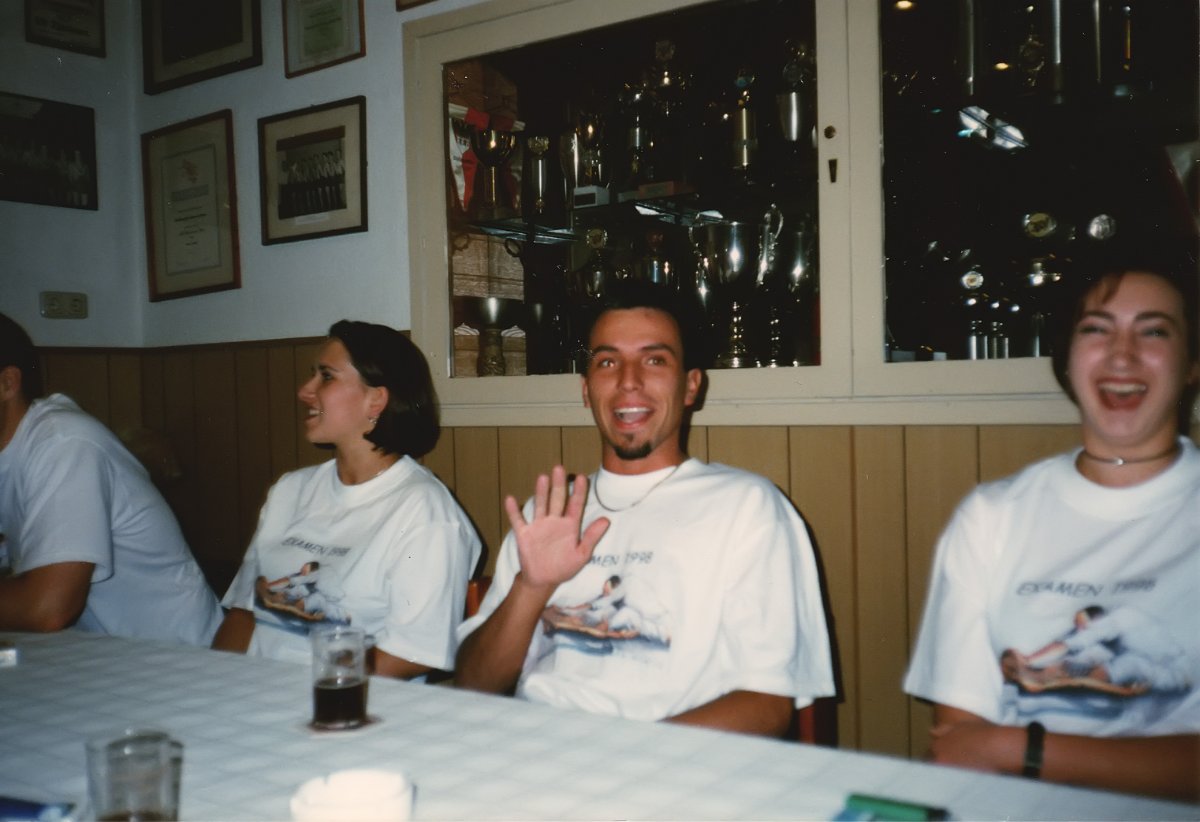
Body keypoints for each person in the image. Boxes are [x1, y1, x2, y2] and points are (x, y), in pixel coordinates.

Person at [454, 282, 834, 737]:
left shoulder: (747, 508)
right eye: (607, 362)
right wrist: (531, 587)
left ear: (691, 386)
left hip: (664, 760)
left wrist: (620, 754)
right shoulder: (550, 512)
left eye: (654, 360)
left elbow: (767, 706)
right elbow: (472, 686)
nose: (628, 381)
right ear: (586, 389)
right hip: (529, 747)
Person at [904, 249, 1200, 800]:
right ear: (1067, 360)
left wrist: (1022, 749)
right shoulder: (992, 516)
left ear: (1191, 365)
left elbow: (985, 747)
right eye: (1097, 329)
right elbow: (960, 745)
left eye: (1154, 331)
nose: (1123, 354)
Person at [212, 320, 481, 680]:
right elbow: (244, 614)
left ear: (376, 400)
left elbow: (412, 654)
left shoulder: (424, 511)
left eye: (326, 376)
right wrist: (215, 682)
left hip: (347, 697)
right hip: (253, 690)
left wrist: (315, 690)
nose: (304, 391)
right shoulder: (290, 490)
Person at [0, 312, 223, 644]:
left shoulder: (65, 443)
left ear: (7, 383)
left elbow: (47, 608)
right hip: (88, 654)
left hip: (177, 655)